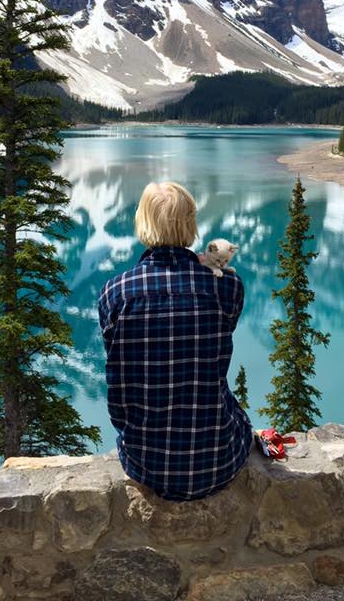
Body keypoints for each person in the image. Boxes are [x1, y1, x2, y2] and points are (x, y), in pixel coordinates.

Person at [97, 181, 253, 501]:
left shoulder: (115, 294)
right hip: (218, 458)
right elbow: (223, 331)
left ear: (143, 222)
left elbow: (117, 363)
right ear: (191, 225)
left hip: (145, 463)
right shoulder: (228, 286)